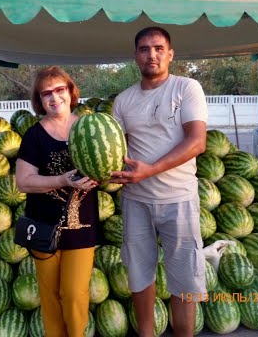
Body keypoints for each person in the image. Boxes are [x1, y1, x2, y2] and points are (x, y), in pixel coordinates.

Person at [109, 26, 208, 337]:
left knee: (185, 278)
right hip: (136, 200)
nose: (151, 54)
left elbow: (197, 142)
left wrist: (149, 169)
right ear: (136, 56)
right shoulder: (123, 101)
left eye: (158, 48)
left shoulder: (186, 88)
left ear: (170, 53)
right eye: (144, 49)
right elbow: (114, 151)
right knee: (139, 275)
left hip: (179, 198)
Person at [15, 66, 100, 337]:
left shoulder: (90, 127)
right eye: (46, 93)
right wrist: (63, 180)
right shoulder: (34, 135)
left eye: (60, 89)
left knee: (74, 293)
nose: (54, 97)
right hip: (43, 228)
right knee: (50, 297)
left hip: (81, 227)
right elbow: (24, 181)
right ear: (39, 101)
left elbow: (106, 163)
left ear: (70, 91)